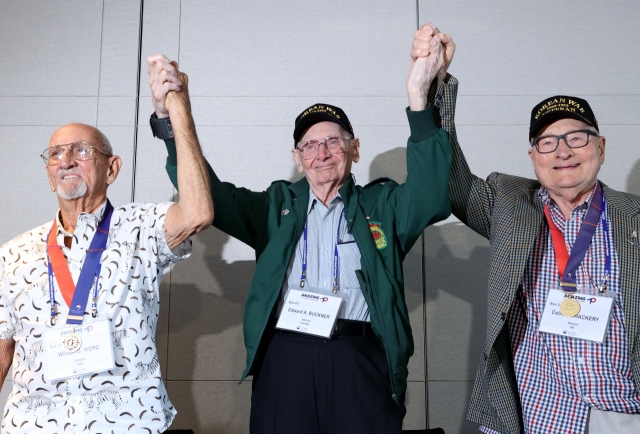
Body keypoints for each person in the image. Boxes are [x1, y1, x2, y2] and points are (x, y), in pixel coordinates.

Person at [146, 35, 452, 434]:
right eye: (308, 145)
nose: (320, 153)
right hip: (285, 357)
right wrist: (172, 120)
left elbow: (432, 195)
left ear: (354, 148)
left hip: (359, 358)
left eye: (332, 141)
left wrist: (419, 96)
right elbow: (210, 196)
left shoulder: (384, 206)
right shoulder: (275, 206)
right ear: (297, 157)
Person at [411, 23, 640, 434]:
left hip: (623, 412)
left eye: (577, 137)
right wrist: (434, 88)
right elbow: (453, 181)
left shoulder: (635, 216)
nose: (563, 151)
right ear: (533, 157)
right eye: (547, 142)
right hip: (538, 414)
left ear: (601, 147)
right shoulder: (511, 206)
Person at [0, 72, 213, 433]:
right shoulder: (11, 254)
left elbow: (198, 213)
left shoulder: (142, 228)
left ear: (112, 168)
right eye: (56, 154)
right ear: (50, 175)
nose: (66, 160)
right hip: (32, 424)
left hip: (126, 422)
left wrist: (177, 109)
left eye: (81, 150)